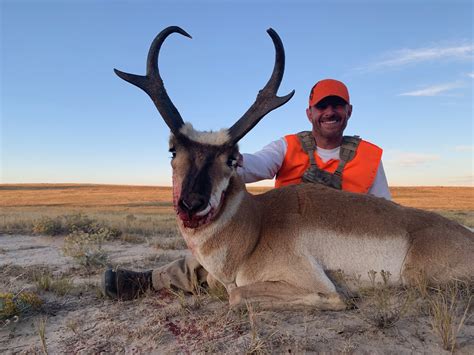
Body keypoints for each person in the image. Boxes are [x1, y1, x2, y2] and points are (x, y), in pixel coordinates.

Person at [101, 79, 391, 300]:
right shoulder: (287, 146)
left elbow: (384, 211)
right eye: (322, 106)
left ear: (348, 111)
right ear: (310, 113)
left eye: (337, 106)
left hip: (335, 242)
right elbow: (254, 165)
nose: (330, 112)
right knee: (224, 262)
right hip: (282, 237)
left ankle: (154, 281)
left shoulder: (369, 158)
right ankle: (151, 281)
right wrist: (225, 159)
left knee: (236, 275)